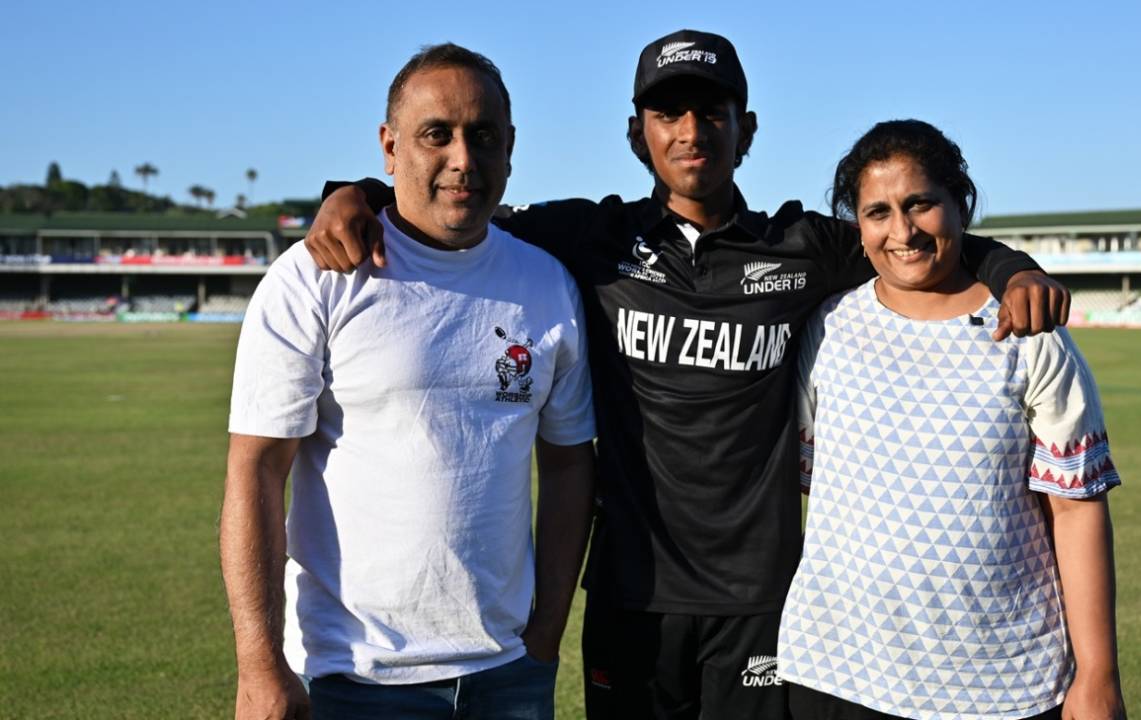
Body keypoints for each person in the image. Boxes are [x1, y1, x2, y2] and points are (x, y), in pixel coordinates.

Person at [303, 30, 1072, 720]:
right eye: (669, 114)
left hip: (759, 604)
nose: (692, 131)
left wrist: (1015, 268)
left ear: (747, 129)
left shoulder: (801, 248)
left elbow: (917, 234)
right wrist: (358, 193)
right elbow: (453, 199)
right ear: (638, 135)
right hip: (630, 599)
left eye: (712, 111)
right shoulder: (590, 238)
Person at [219, 44, 596, 720]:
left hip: (508, 675)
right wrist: (258, 663)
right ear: (390, 147)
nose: (462, 158)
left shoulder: (548, 284)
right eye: (436, 134)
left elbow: (569, 466)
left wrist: (546, 633)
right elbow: (255, 472)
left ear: (510, 147)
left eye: (482, 136)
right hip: (353, 676)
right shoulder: (316, 279)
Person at [779, 119, 1125, 720]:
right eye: (878, 212)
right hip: (835, 672)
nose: (903, 231)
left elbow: (1076, 510)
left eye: (921, 204)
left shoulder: (1030, 335)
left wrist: (1098, 676)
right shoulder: (827, 326)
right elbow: (813, 483)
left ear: (960, 205)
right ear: (855, 225)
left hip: (1001, 681)